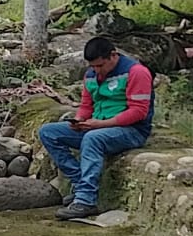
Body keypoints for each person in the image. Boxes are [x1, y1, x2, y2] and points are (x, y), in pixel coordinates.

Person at [37, 37, 155, 220]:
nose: (97, 70)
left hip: (131, 131)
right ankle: (80, 184)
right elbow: (86, 105)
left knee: (93, 138)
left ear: (113, 55)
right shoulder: (91, 74)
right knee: (48, 132)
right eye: (93, 66)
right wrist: (78, 121)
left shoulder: (137, 72)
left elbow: (139, 112)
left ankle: (86, 201)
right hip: (98, 126)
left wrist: (101, 124)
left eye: (100, 66)